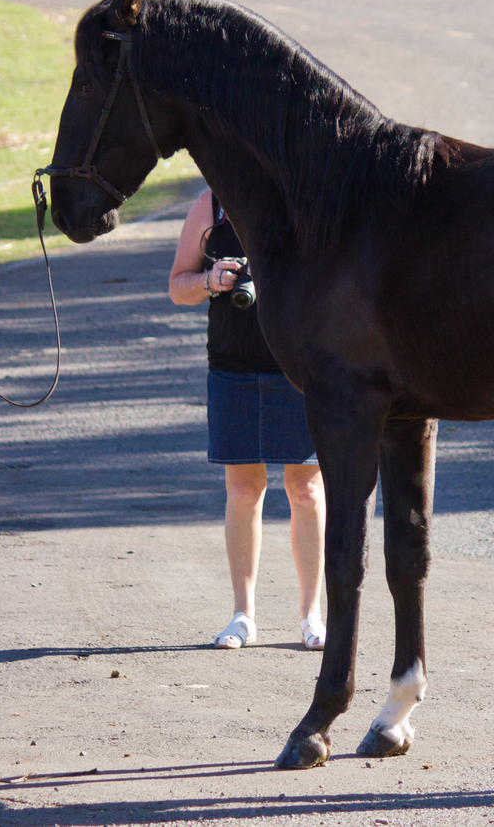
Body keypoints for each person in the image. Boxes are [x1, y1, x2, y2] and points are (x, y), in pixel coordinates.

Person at [169, 187, 326, 651]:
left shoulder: (303, 194)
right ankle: (242, 616)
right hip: (233, 367)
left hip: (297, 366)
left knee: (307, 489)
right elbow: (178, 285)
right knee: (243, 489)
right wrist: (210, 281)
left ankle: (311, 615)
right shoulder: (211, 205)